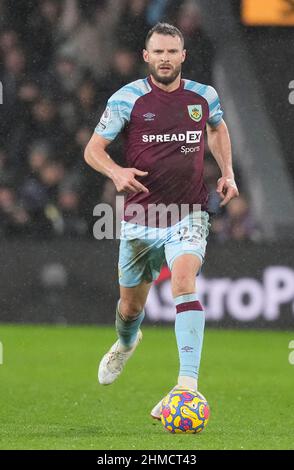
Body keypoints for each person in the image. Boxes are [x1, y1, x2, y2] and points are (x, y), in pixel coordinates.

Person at [84, 22, 239, 420]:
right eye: (159, 52)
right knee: (130, 309)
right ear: (146, 56)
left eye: (173, 52)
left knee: (184, 281)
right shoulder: (127, 98)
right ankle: (125, 342)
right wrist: (117, 172)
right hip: (140, 217)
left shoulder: (203, 96)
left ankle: (186, 386)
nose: (166, 58)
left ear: (183, 56)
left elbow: (218, 128)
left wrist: (228, 172)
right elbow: (93, 150)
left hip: (188, 213)